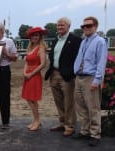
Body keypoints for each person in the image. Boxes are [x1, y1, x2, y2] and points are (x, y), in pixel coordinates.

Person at [72, 16, 108, 147]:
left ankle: (95, 134)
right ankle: (85, 131)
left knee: (93, 108)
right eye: (84, 26)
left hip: (90, 78)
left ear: (95, 27)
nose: (86, 28)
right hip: (79, 77)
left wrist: (97, 80)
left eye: (89, 26)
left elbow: (101, 62)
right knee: (81, 107)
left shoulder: (100, 42)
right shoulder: (84, 41)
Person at [45, 17, 82, 136]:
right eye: (58, 25)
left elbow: (79, 58)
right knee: (58, 100)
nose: (60, 27)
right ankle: (62, 123)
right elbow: (52, 55)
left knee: (69, 102)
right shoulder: (56, 39)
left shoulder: (75, 40)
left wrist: (71, 72)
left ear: (68, 26)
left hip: (67, 75)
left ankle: (70, 126)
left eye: (62, 25)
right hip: (54, 73)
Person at [21, 27, 47, 131]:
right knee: (29, 99)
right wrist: (24, 73)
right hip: (27, 76)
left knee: (32, 99)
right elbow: (26, 62)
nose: (34, 37)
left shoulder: (41, 48)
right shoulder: (30, 48)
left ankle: (37, 120)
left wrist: (31, 73)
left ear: (40, 37)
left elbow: (43, 64)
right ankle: (35, 120)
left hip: (35, 76)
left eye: (36, 35)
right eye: (33, 35)